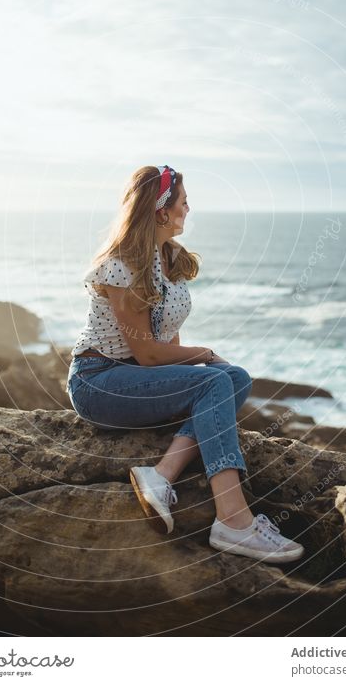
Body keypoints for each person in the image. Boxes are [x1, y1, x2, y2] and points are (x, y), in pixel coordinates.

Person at [67, 164, 305, 564]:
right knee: (215, 379)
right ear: (161, 211)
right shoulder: (119, 265)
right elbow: (150, 354)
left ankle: (160, 475)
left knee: (234, 378)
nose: (188, 209)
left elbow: (166, 342)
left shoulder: (169, 258)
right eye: (183, 202)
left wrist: (205, 368)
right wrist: (205, 355)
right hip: (99, 381)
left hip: (139, 380)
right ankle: (234, 521)